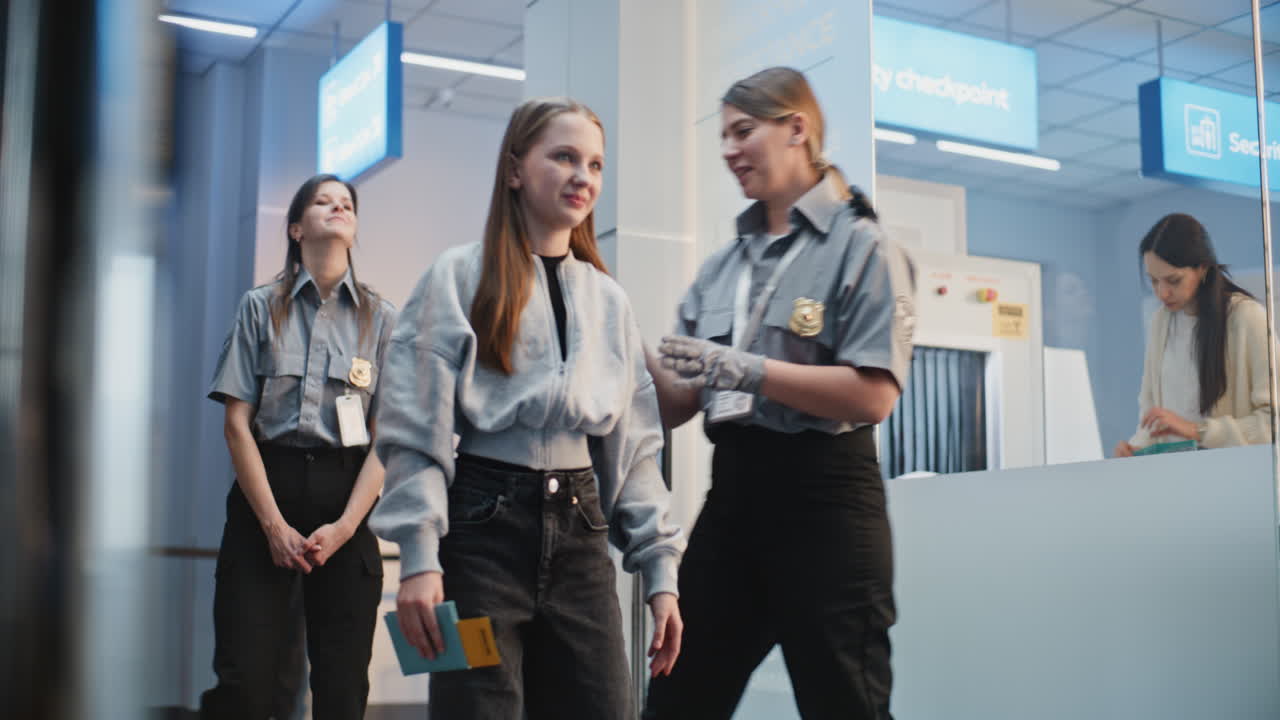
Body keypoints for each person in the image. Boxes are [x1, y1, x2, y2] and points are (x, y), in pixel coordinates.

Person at [368, 97, 685, 718]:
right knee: (475, 708)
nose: (582, 177)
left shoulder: (610, 301)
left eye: (594, 164)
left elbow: (637, 449)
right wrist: (418, 560)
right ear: (515, 168)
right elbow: (414, 433)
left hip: (583, 538)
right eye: (563, 157)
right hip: (480, 536)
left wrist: (661, 573)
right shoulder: (457, 276)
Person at [643, 67, 916, 720]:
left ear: (797, 129)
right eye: (724, 137)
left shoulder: (862, 246)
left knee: (845, 705)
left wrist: (745, 368)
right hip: (735, 494)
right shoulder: (723, 266)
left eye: (744, 131)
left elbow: (874, 395)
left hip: (827, 500)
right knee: (677, 700)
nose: (729, 150)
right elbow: (678, 402)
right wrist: (613, 336)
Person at [201, 174, 396, 720]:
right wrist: (272, 527)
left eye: (347, 203)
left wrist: (346, 527)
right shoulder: (261, 308)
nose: (338, 207)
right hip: (266, 491)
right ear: (295, 227)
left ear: (354, 230)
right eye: (322, 200)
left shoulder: (382, 320)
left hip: (348, 503)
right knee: (245, 678)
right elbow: (237, 425)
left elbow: (385, 442)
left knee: (341, 686)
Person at [1114, 213, 1272, 456]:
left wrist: (1198, 431)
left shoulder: (1246, 317)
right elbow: (1153, 421)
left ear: (1202, 269)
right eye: (1154, 281)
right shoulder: (1160, 323)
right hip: (1176, 477)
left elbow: (1271, 423)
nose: (1162, 293)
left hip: (1232, 477)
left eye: (1173, 280)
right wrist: (1135, 448)